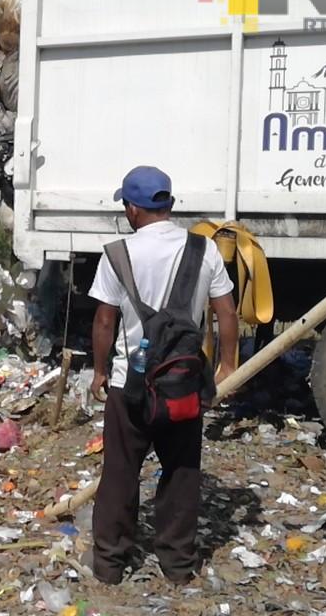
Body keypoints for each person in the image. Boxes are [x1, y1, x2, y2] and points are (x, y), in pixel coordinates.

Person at [88, 165, 239, 585]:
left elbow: (104, 321)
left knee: (120, 473)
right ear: (168, 204)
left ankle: (110, 565)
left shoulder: (118, 253)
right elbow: (227, 311)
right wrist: (227, 367)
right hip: (183, 386)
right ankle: (176, 565)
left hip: (130, 386)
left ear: (133, 208)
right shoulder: (204, 249)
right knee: (182, 471)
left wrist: (99, 372)